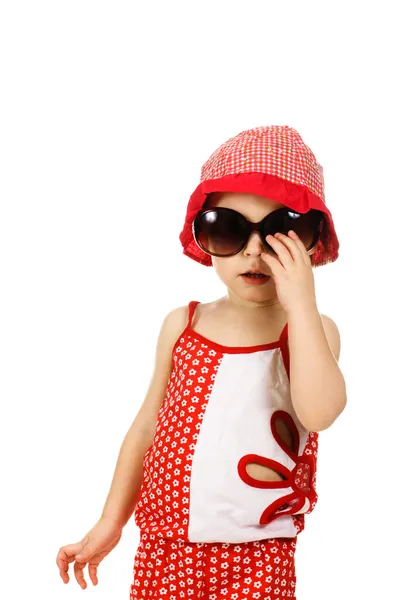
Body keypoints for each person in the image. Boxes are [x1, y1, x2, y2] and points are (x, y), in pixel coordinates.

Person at [56, 125, 347, 599]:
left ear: (310, 242)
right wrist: (112, 521)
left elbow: (319, 413)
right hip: (164, 545)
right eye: (229, 227)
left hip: (258, 552)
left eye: (278, 233)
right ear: (204, 233)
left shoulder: (311, 332)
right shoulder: (183, 324)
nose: (255, 250)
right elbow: (148, 426)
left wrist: (302, 305)